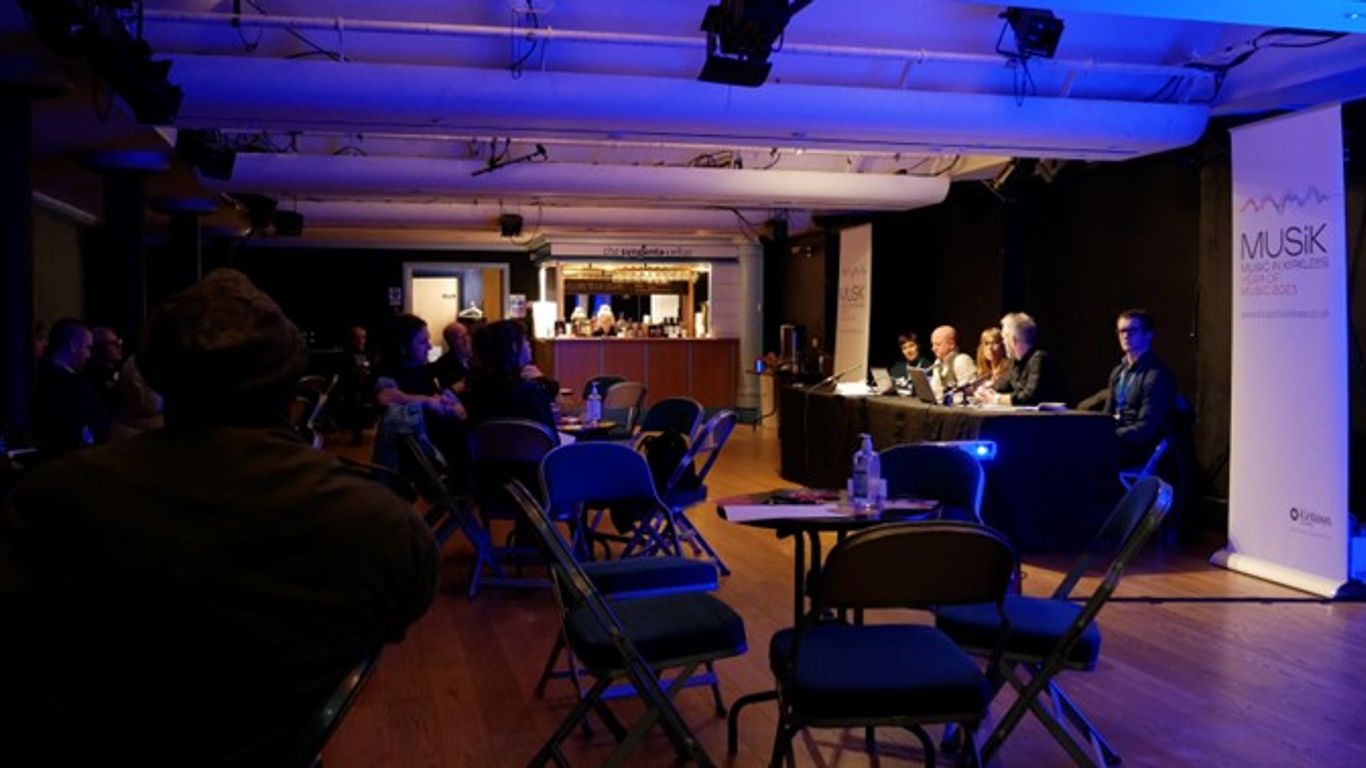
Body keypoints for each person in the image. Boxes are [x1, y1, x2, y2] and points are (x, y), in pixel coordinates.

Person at [0, 270, 438, 765]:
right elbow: (392, 620)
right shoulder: (384, 523)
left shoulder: (49, 498)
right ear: (292, 376)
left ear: (155, 373)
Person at [1105, 308, 1178, 467]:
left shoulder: (1156, 375)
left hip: (1138, 448)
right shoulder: (1118, 372)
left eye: (1132, 330)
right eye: (1121, 331)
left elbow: (1147, 428)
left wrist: (1110, 436)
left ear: (1148, 334)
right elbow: (1107, 416)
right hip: (1117, 440)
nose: (1125, 336)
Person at [30, 317, 111, 456]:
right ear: (73, 345)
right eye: (87, 348)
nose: (89, 355)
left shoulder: (42, 375)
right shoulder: (66, 383)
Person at [463, 319, 558, 435]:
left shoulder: (475, 388)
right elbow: (550, 436)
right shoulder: (530, 390)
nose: (529, 344)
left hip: (490, 447)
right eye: (524, 339)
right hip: (529, 446)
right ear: (514, 347)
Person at [976, 312, 1068, 406]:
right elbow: (1002, 386)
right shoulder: (1015, 362)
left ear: (1013, 340)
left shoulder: (1040, 359)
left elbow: (1029, 397)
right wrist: (985, 391)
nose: (1003, 343)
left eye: (1004, 338)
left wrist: (997, 399)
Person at [928, 325, 979, 403]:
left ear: (951, 344)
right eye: (933, 344)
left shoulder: (962, 360)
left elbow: (967, 393)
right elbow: (935, 390)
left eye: (938, 344)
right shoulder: (938, 363)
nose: (933, 348)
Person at [82, 326, 124, 411]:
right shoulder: (93, 375)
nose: (119, 346)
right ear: (99, 346)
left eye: (119, 341)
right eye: (112, 343)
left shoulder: (122, 369)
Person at [434, 320, 473, 392]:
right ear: (451, 342)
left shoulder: (479, 357)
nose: (466, 339)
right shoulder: (443, 364)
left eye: (467, 334)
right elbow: (448, 392)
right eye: (460, 337)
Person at [975, 327, 1013, 392]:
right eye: (986, 343)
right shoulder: (983, 372)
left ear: (1003, 346)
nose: (990, 348)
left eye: (994, 343)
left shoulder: (1010, 368)